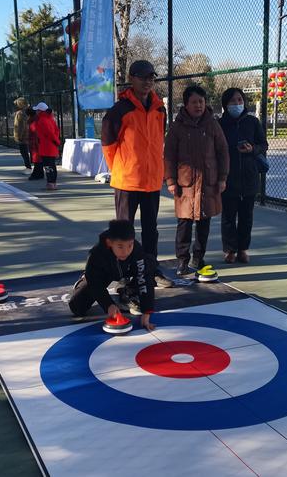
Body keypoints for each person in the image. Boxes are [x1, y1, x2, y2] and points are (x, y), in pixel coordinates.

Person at [101, 59, 174, 288]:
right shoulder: (119, 110)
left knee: (151, 231)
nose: (147, 81)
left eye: (151, 77)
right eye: (142, 77)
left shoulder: (159, 108)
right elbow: (108, 145)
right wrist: (121, 169)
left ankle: (151, 271)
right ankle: (122, 273)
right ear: (131, 78)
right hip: (127, 182)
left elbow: (158, 140)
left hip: (152, 182)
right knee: (123, 233)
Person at [164, 86, 230, 276]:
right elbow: (169, 155)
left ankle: (198, 258)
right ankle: (182, 260)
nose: (198, 105)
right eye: (194, 102)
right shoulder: (177, 127)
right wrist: (171, 180)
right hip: (185, 184)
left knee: (204, 222)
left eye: (201, 101)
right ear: (186, 104)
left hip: (208, 183)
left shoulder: (212, 125)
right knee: (184, 223)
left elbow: (223, 152)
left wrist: (222, 178)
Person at [69, 219, 156, 331]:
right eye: (120, 247)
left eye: (130, 245)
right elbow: (95, 283)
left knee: (149, 264)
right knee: (77, 307)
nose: (125, 251)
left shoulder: (136, 249)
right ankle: (83, 280)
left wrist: (147, 311)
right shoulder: (96, 254)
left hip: (127, 270)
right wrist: (108, 305)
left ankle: (127, 289)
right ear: (110, 243)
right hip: (105, 274)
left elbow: (143, 277)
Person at [218, 87, 268, 264]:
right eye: (233, 101)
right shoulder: (220, 124)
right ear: (225, 104)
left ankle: (243, 250)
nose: (237, 103)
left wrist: (252, 149)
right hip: (228, 177)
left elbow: (263, 144)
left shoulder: (253, 122)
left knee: (246, 217)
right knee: (228, 217)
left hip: (249, 176)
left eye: (240, 100)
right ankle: (229, 250)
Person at [30, 102, 61, 190]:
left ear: (40, 111)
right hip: (51, 146)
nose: (36, 112)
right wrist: (56, 141)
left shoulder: (42, 120)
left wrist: (56, 141)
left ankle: (50, 182)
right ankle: (53, 182)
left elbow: (49, 133)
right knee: (52, 165)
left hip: (46, 146)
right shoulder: (50, 119)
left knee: (48, 166)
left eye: (37, 110)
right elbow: (56, 131)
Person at [13, 97, 32, 170]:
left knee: (24, 152)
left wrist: (19, 136)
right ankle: (28, 166)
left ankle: (28, 167)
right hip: (27, 135)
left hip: (22, 137)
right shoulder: (27, 112)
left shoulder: (20, 113)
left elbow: (20, 126)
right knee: (25, 152)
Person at [27, 107, 44, 180]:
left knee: (37, 159)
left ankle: (36, 174)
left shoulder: (34, 122)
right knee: (37, 159)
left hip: (35, 143)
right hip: (35, 142)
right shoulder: (36, 120)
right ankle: (40, 173)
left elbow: (35, 134)